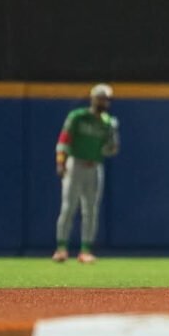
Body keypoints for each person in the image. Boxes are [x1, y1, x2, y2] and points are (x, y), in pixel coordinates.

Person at [52, 83, 120, 264]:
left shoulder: (107, 122)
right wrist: (61, 161)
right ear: (93, 98)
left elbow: (111, 149)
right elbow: (63, 140)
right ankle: (61, 249)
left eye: (106, 99)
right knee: (68, 207)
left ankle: (85, 251)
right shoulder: (78, 117)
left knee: (91, 210)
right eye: (101, 98)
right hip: (75, 163)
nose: (104, 102)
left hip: (94, 166)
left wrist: (113, 139)